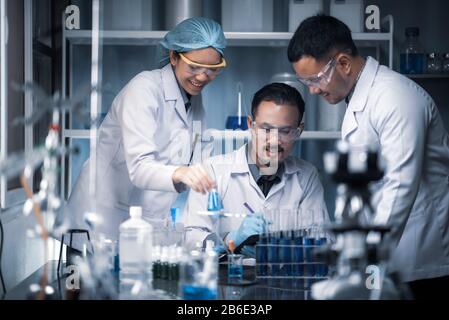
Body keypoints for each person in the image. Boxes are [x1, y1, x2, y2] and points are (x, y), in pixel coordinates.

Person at [288, 14, 449, 298]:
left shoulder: (395, 97)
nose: (312, 90)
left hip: (420, 262)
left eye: (316, 79)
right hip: (387, 256)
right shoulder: (361, 98)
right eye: (306, 81)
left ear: (344, 63)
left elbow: (399, 187)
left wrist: (367, 266)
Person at [64, 17, 227, 250]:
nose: (202, 77)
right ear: (173, 56)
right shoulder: (144, 89)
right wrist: (183, 173)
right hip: (98, 223)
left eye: (211, 70)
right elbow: (140, 169)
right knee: (90, 285)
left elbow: (202, 164)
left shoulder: (195, 103)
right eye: (194, 67)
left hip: (145, 227)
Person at [182, 83, 329, 256]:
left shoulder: (306, 176)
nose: (274, 141)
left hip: (282, 279)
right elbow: (190, 239)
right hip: (227, 279)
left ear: (299, 131)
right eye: (266, 129)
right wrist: (232, 240)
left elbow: (322, 239)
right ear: (251, 125)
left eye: (285, 131)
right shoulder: (213, 170)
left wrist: (280, 250)